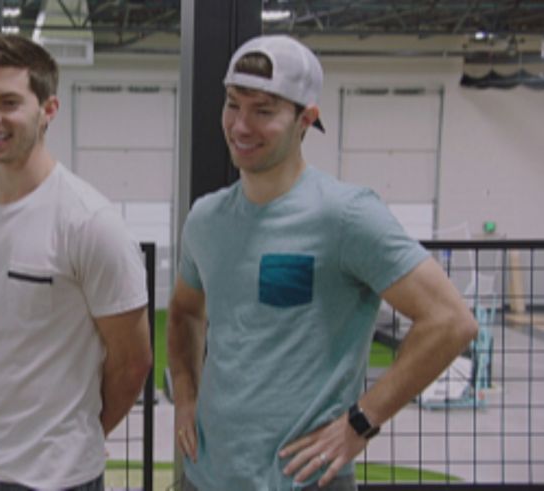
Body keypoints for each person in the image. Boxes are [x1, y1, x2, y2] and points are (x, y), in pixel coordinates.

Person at [167, 34, 478, 491]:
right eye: (234, 104)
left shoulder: (346, 216)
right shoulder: (206, 218)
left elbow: (451, 321)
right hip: (204, 477)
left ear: (305, 120)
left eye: (264, 110)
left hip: (302, 480)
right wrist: (185, 396)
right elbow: (184, 312)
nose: (240, 126)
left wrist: (361, 423)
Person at [0, 32, 153, 491]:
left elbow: (133, 363)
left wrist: (73, 438)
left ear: (48, 110)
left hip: (53, 475)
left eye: (9, 102)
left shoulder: (90, 223)